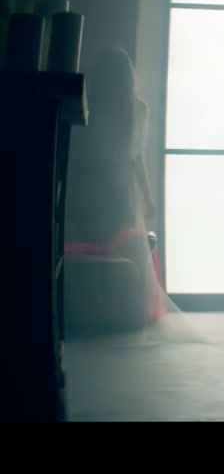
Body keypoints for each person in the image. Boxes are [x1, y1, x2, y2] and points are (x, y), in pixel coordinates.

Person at [64, 48, 171, 335]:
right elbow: (136, 159)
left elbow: (133, 158)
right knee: (113, 250)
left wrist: (146, 197)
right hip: (112, 191)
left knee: (106, 249)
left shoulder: (99, 108)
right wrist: (146, 197)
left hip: (101, 190)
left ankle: (103, 310)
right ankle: (117, 310)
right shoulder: (124, 109)